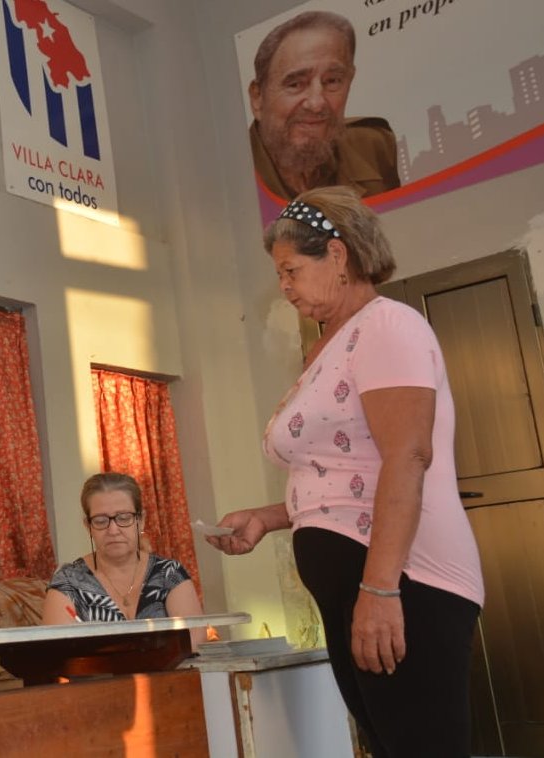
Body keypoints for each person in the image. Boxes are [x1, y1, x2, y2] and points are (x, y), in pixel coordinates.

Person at [206, 186, 484, 757]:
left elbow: (407, 456)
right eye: (279, 274)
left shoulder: (388, 326)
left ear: (337, 256)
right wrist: (269, 516)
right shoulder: (331, 344)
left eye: (291, 270)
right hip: (364, 583)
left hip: (407, 580)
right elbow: (345, 473)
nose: (284, 287)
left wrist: (380, 589)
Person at [248, 11, 400, 201]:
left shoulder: (375, 146)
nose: (317, 103)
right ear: (257, 97)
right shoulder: (229, 180)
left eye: (333, 81)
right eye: (296, 84)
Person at [42, 473, 205, 647]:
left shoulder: (169, 573)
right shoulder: (68, 581)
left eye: (124, 518)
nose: (113, 530)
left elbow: (194, 639)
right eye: (100, 521)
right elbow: (57, 651)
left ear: (140, 521)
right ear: (88, 526)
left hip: (169, 674)